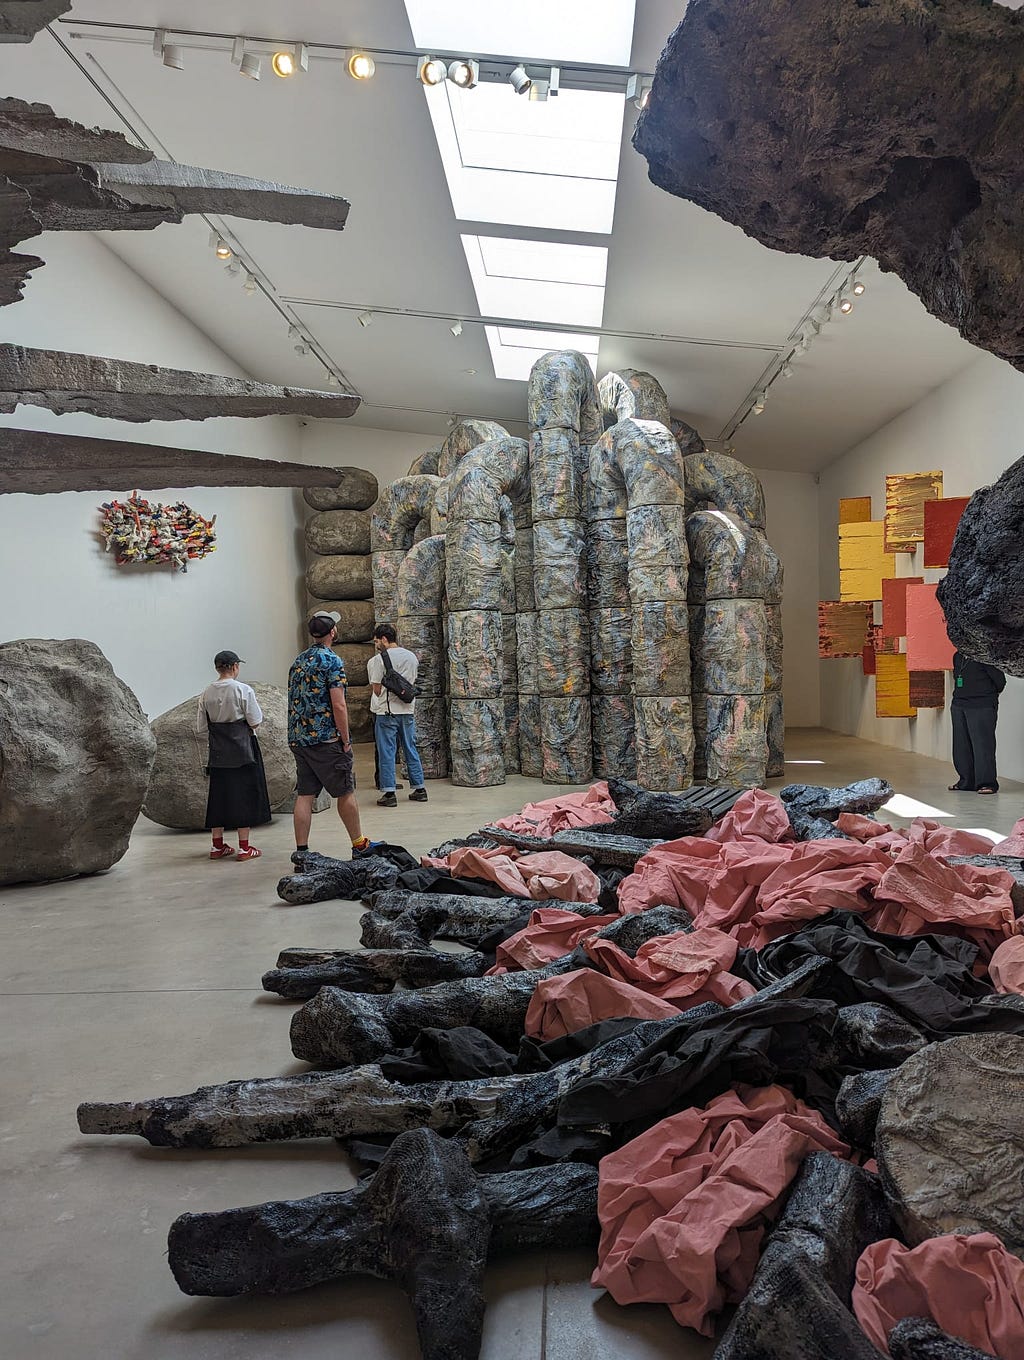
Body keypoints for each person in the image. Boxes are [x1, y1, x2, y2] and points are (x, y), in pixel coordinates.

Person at [288, 611, 377, 858]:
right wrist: (346, 739)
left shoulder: (298, 661)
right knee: (345, 791)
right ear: (333, 632)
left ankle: (302, 852)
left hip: (299, 738)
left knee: (305, 794)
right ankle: (359, 845)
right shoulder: (332, 661)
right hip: (326, 739)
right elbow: (338, 704)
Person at [196, 650, 271, 861]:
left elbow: (201, 727)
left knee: (218, 796)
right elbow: (255, 720)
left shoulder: (206, 693)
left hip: (218, 752)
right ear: (235, 667)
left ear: (217, 668)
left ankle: (217, 845)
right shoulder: (243, 690)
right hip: (243, 749)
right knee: (244, 795)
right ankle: (245, 848)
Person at [367, 622, 428, 808]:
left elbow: (377, 690)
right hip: (407, 710)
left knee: (387, 752)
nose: (377, 645)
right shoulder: (411, 656)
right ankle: (419, 788)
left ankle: (389, 792)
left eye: (377, 641)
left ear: (384, 639)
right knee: (410, 748)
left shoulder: (379, 660)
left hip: (387, 712)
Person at [949, 650, 1006, 795]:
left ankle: (987, 783)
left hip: (982, 704)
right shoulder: (958, 656)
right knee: (961, 746)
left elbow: (1000, 681)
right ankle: (966, 781)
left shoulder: (986, 655)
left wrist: (986, 695)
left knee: (982, 746)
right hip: (959, 703)